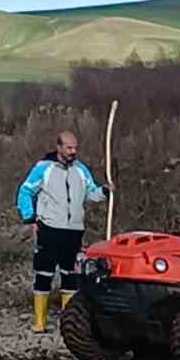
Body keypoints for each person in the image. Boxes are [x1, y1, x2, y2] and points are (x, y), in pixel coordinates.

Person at [16, 130, 108, 333]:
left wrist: (104, 192)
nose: (73, 151)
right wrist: (29, 217)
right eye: (69, 147)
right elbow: (26, 191)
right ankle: (40, 322)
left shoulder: (81, 170)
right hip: (49, 229)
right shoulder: (43, 168)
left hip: (73, 230)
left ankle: (68, 323)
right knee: (44, 274)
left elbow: (91, 193)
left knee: (71, 276)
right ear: (59, 147)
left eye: (75, 147)